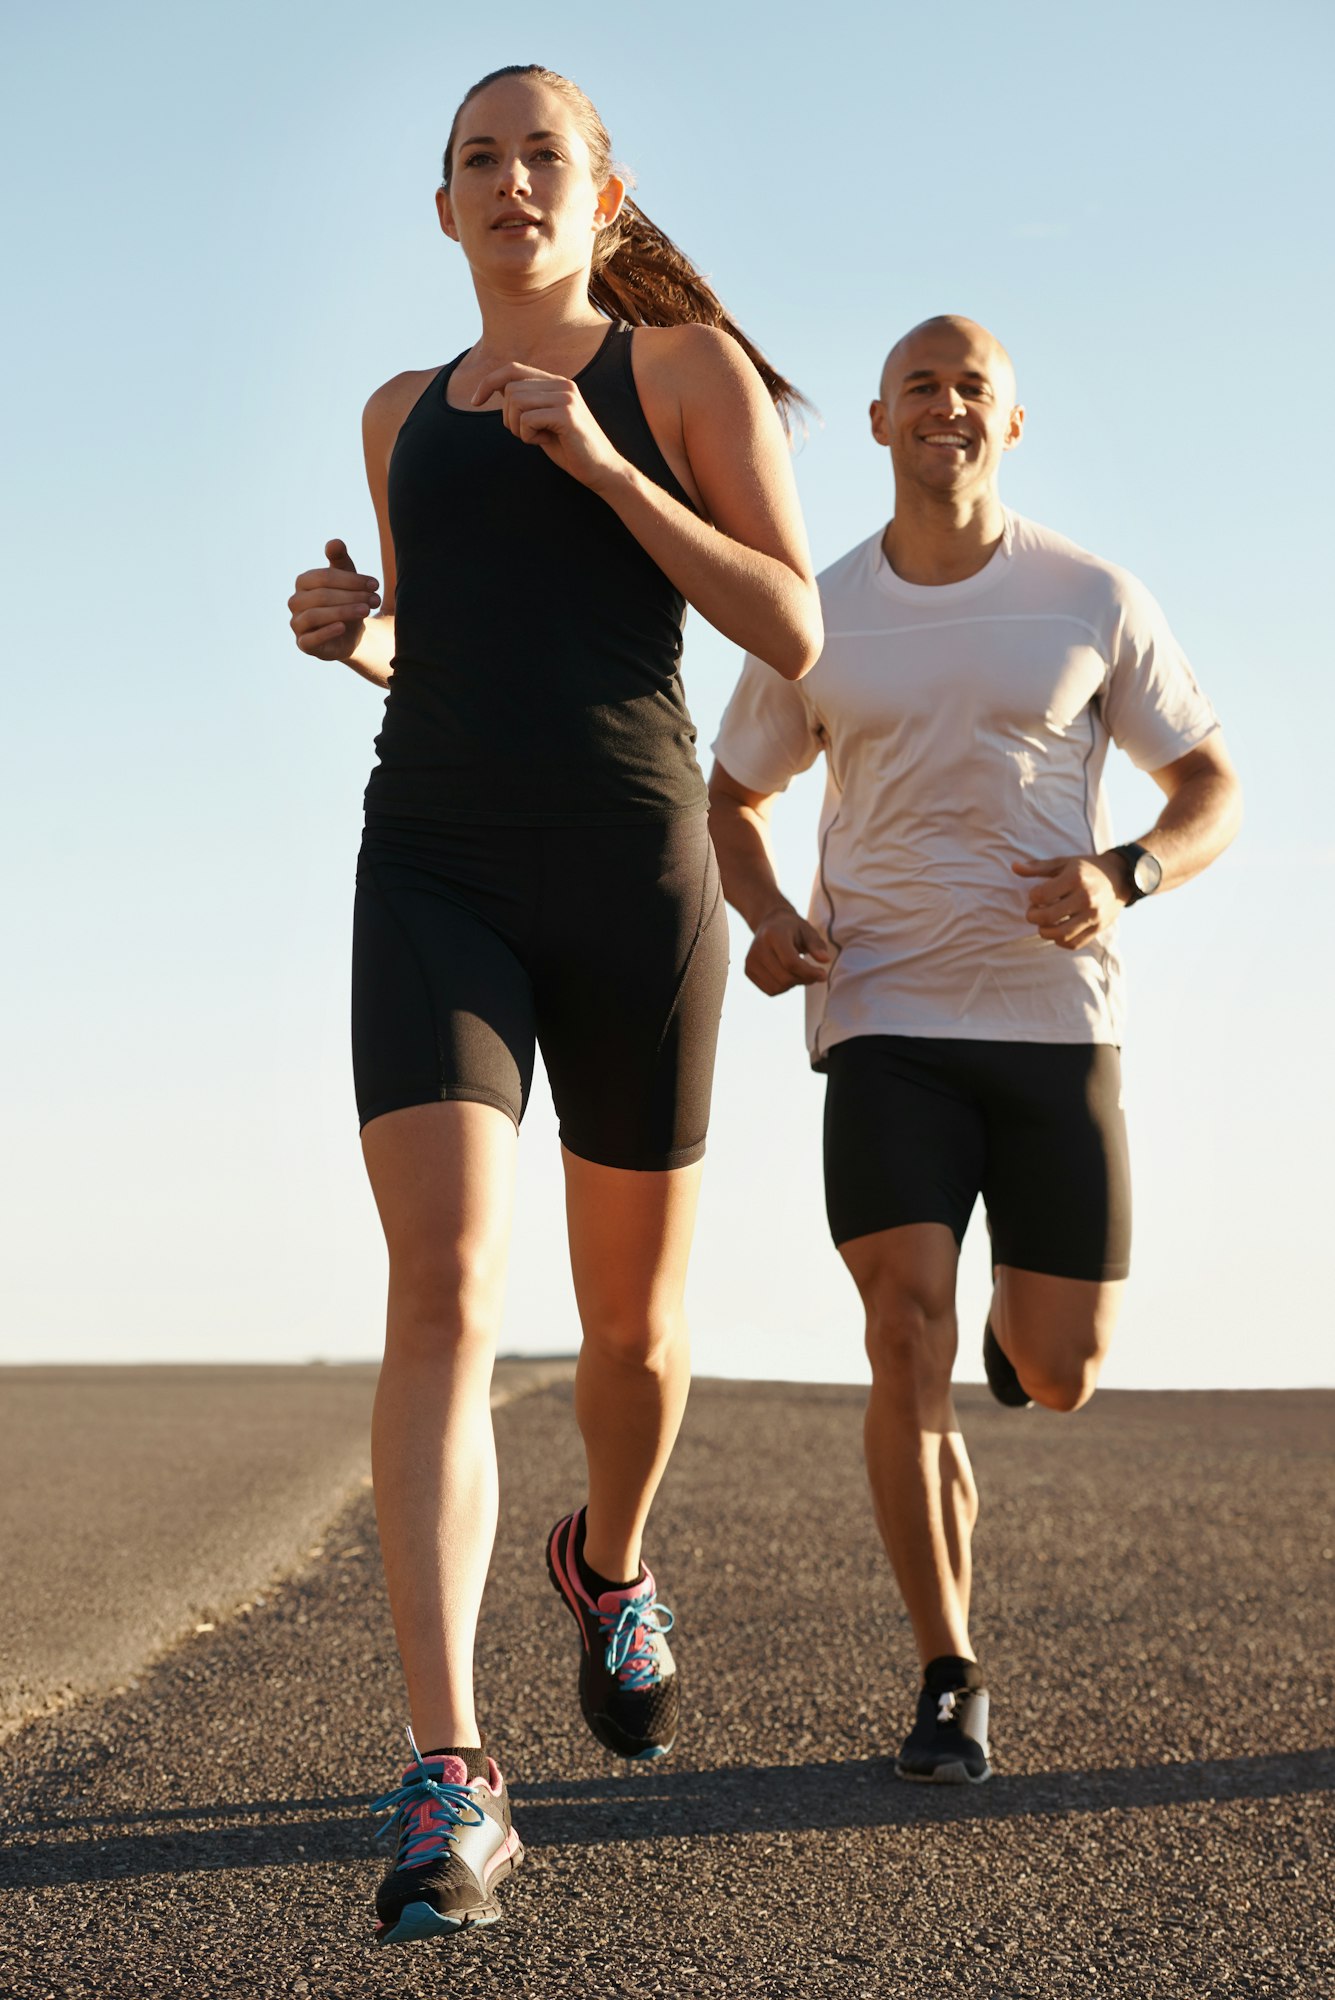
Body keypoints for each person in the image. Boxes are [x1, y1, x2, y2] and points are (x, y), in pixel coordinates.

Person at [287, 64, 820, 1944]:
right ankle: (456, 1772)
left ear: (604, 198)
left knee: (635, 1343)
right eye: (477, 161)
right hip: (430, 866)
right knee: (437, 1287)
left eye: (544, 155)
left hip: (632, 880)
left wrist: (600, 463)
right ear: (442, 208)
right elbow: (451, 644)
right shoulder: (396, 415)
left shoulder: (675, 378)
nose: (510, 181)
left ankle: (611, 1558)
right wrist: (370, 640)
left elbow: (793, 626)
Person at [708, 314, 1241, 1786]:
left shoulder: (1089, 596)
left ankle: (1022, 1343)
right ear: (877, 423)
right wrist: (765, 917)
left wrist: (1126, 872)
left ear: (1014, 423)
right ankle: (948, 1675)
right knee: (899, 1333)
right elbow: (732, 793)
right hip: (884, 1019)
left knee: (1064, 1368)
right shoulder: (817, 619)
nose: (947, 406)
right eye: (920, 388)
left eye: (974, 389)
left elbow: (1211, 786)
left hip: (1053, 1023)